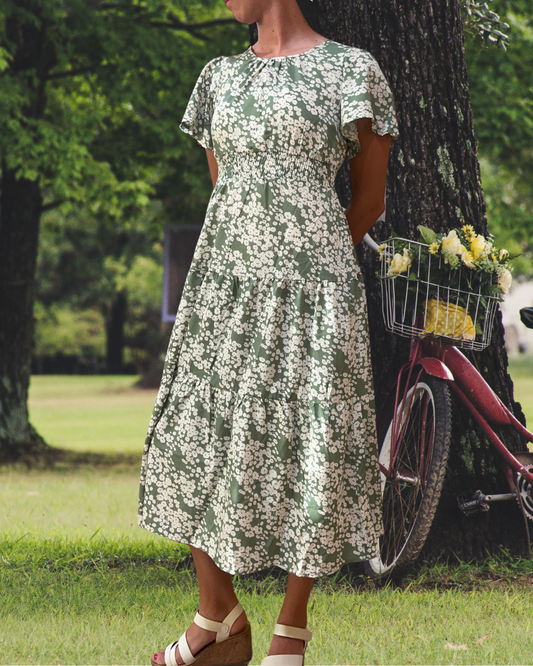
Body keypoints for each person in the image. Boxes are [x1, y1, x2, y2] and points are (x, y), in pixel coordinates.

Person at [139, 1, 398, 664]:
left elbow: (368, 201)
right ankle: (218, 615)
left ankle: (289, 630)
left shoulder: (351, 72)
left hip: (314, 293)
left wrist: (307, 269)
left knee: (306, 439)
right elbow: (224, 191)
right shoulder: (217, 78)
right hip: (222, 286)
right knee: (190, 433)